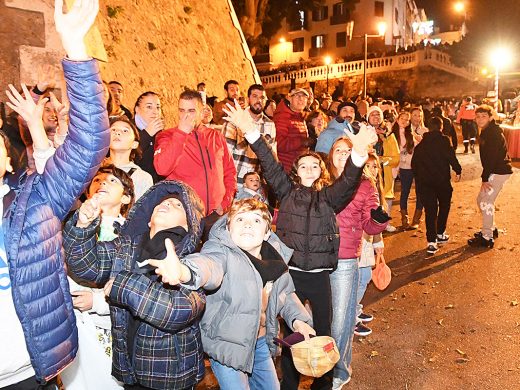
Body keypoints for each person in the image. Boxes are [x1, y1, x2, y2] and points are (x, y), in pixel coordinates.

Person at [223, 103, 377, 390]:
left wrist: (358, 151)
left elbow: (349, 180)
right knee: (292, 334)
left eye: (314, 165)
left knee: (323, 332)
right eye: (303, 165)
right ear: (296, 171)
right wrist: (250, 130)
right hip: (290, 276)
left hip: (320, 277)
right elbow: (269, 163)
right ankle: (289, 385)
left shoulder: (330, 198)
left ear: (321, 171)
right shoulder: (286, 192)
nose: (309, 168)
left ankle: (324, 384)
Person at [0, 0, 109, 387]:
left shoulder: (33, 202)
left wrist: (75, 48)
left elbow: (88, 144)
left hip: (25, 372)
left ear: (6, 158)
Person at [150, 198, 315, 390]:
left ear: (267, 232)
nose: (247, 224)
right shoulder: (221, 251)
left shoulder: (275, 260)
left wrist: (299, 321)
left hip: (260, 344)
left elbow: (285, 294)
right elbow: (209, 265)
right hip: (226, 346)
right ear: (228, 228)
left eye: (256, 220)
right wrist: (184, 271)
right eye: (239, 219)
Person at [63, 180, 206, 390]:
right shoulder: (127, 246)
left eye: (177, 205)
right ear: (149, 220)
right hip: (130, 370)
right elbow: (87, 266)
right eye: (163, 203)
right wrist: (83, 226)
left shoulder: (190, 260)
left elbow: (175, 311)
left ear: (189, 224)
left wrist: (121, 284)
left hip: (168, 376)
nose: (166, 204)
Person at [61, 165, 134, 390]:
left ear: (125, 197)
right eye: (97, 180)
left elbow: (131, 284)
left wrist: (98, 301)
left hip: (107, 323)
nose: (102, 183)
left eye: (112, 181)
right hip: (72, 321)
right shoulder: (72, 225)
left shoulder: (131, 235)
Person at [327, 140, 389, 388]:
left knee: (341, 319)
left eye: (348, 151)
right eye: (338, 150)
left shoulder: (364, 184)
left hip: (344, 258)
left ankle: (339, 371)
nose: (343, 155)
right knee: (317, 316)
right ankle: (321, 363)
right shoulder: (320, 180)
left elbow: (369, 224)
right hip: (315, 259)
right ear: (331, 155)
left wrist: (378, 221)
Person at [154, 90, 237, 237]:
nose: (186, 116)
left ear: (202, 111)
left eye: (191, 111)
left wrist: (225, 203)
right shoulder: (167, 136)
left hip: (215, 216)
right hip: (185, 216)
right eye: (182, 110)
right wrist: (181, 134)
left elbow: (229, 171)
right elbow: (162, 168)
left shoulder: (215, 136)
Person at [411, 116, 462, 254]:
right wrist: (458, 170)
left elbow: (414, 164)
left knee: (430, 211)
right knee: (444, 206)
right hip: (442, 182)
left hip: (425, 183)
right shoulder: (445, 141)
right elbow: (451, 157)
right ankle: (440, 233)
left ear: (428, 127)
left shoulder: (421, 144)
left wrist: (419, 178)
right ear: (441, 127)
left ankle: (431, 241)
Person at [467, 105, 513, 248]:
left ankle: (487, 237)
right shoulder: (487, 131)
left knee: (486, 202)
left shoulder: (492, 133)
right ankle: (491, 228)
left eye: (484, 116)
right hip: (495, 170)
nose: (480, 119)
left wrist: (485, 178)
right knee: (481, 200)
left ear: (490, 117)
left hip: (498, 172)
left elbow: (491, 158)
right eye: (478, 116)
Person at [223, 84, 276, 187]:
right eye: (255, 96)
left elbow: (270, 156)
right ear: (248, 99)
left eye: (262, 97)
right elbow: (225, 155)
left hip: (256, 185)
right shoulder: (235, 120)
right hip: (235, 182)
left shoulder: (270, 124)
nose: (259, 100)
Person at [368, 105, 399, 232]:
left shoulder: (389, 135)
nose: (376, 117)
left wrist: (382, 160)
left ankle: (385, 223)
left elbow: (395, 158)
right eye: (373, 114)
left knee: (386, 197)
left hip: (384, 174)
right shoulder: (364, 133)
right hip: (368, 172)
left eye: (378, 115)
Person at [390, 111, 423, 229]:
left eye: (406, 119)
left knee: (420, 192)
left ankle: (416, 219)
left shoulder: (411, 133)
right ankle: (405, 219)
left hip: (418, 166)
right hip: (404, 167)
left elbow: (419, 147)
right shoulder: (393, 134)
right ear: (397, 119)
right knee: (405, 192)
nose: (404, 121)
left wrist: (420, 140)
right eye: (402, 118)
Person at [107, 117, 153, 200]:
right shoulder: (93, 169)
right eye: (113, 130)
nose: (117, 133)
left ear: (134, 144)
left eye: (125, 131)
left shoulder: (142, 178)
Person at [273, 88, 311, 172]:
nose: (301, 99)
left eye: (304, 97)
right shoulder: (283, 117)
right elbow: (279, 144)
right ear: (289, 98)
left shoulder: (300, 118)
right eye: (297, 96)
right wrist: (301, 142)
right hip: (286, 169)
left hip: (298, 168)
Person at [133, 91, 164, 182]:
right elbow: (129, 154)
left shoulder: (161, 134)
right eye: (149, 107)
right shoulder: (128, 129)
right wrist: (147, 134)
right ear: (137, 109)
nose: (155, 112)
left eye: (158, 107)